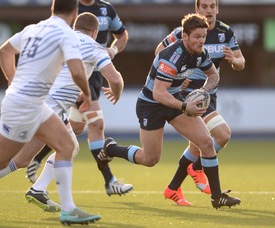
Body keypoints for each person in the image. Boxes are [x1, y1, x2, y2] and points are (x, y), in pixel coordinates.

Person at [0, 0, 101, 225]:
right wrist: (88, 96)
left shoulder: (34, 28)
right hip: (25, 105)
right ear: (75, 13)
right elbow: (78, 70)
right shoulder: (66, 33)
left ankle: (68, 209)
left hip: (32, 102)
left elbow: (4, 50)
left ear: (52, 8)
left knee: (67, 144)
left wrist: (12, 80)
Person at [97, 13, 241, 209]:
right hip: (151, 106)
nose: (201, 41)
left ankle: (217, 197)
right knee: (150, 159)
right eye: (197, 37)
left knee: (206, 142)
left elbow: (213, 76)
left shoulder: (201, 54)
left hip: (175, 100)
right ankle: (110, 148)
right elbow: (158, 94)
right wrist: (184, 106)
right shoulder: (171, 57)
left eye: (204, 37)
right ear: (185, 37)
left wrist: (202, 91)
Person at [26, 0, 132, 196]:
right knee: (96, 125)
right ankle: (109, 180)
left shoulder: (106, 9)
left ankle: (38, 169)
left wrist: (113, 49)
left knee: (74, 131)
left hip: (94, 72)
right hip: (74, 76)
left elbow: (122, 35)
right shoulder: (70, 11)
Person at [154, 0, 246, 205]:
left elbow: (241, 61)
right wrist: (176, 77)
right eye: (204, 6)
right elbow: (160, 51)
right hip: (187, 95)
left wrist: (235, 60)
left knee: (197, 145)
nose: (208, 10)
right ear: (197, 10)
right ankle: (198, 168)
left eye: (212, 6)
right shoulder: (183, 32)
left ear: (217, 8)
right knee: (222, 135)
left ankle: (173, 188)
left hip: (207, 94)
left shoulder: (225, 32)